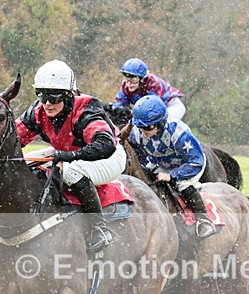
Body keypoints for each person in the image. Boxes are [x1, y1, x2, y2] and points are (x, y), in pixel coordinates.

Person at [15, 60, 126, 253]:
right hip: (67, 153)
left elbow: (105, 145)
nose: (48, 103)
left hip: (108, 157)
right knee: (23, 163)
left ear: (69, 95)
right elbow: (14, 139)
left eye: (54, 96)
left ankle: (99, 228)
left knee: (71, 172)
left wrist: (71, 155)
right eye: (42, 95)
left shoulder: (85, 109)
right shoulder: (38, 111)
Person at [128, 95, 215, 239]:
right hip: (161, 163)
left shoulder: (179, 133)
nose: (144, 131)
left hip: (188, 164)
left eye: (148, 127)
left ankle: (204, 220)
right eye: (141, 126)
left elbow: (196, 161)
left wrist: (173, 176)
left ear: (161, 122)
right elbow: (138, 155)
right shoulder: (137, 133)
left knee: (183, 185)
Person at [112, 58, 186, 122]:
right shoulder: (126, 85)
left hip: (172, 106)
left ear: (142, 79)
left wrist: (131, 112)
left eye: (133, 80)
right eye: (126, 79)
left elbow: (151, 109)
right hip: (156, 109)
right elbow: (118, 104)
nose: (129, 84)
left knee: (159, 125)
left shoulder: (153, 84)